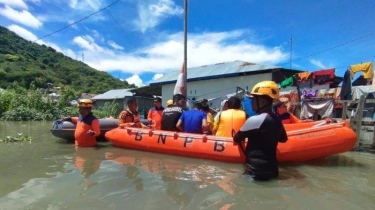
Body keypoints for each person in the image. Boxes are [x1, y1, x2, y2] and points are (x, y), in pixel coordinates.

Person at [233, 81, 287, 181]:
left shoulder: (254, 120)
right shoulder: (277, 120)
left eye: (253, 99)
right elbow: (283, 139)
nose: (251, 102)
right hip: (273, 171)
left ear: (262, 101)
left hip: (255, 173)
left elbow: (236, 140)